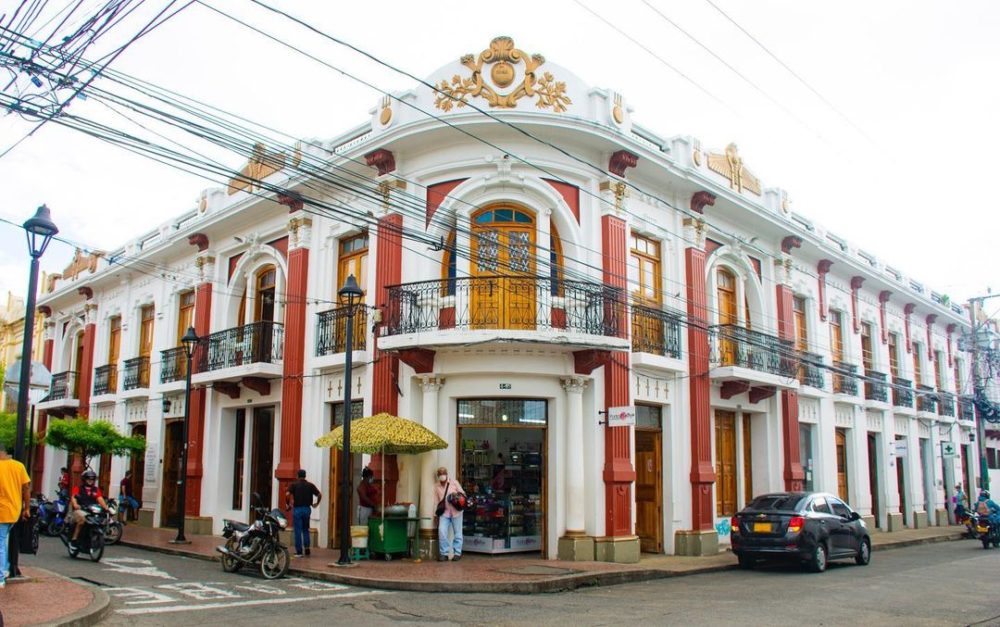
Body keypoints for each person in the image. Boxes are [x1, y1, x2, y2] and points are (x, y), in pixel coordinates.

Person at [0, 442, 31, 589]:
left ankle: (1, 576)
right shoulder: (19, 466)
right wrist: (26, 508)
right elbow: (26, 488)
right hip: (14, 510)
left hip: (2, 511)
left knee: (0, 542)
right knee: (3, 540)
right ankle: (5, 568)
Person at [284, 469, 321, 558]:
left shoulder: (294, 485)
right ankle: (307, 548)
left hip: (297, 509)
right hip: (307, 509)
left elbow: (287, 494)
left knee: (297, 530)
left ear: (297, 476)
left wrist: (288, 504)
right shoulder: (310, 485)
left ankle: (299, 551)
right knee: (305, 529)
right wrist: (316, 504)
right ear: (305, 476)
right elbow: (319, 494)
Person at [433, 466, 465, 562]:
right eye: (440, 473)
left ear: (446, 474)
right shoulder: (436, 487)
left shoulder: (454, 483)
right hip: (444, 513)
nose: (442, 475)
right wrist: (435, 515)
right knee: (442, 531)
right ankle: (444, 554)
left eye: (443, 473)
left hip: (457, 512)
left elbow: (463, 494)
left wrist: (456, 496)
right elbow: (436, 502)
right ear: (438, 475)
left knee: (458, 533)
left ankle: (457, 553)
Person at [69, 469, 107, 550]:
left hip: (91, 510)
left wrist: (106, 508)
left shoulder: (96, 489)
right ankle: (74, 539)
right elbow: (73, 497)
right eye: (88, 479)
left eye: (92, 479)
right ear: (84, 479)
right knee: (82, 520)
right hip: (81, 509)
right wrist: (75, 504)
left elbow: (100, 499)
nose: (90, 481)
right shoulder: (78, 488)